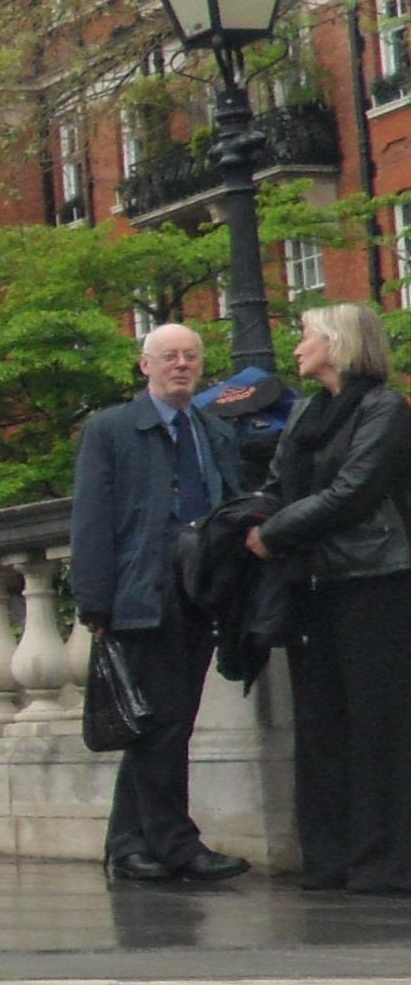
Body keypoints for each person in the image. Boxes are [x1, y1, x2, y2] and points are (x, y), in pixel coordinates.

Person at [69, 324, 249, 888]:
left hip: (201, 594)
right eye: (169, 357)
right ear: (144, 366)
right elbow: (92, 521)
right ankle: (175, 844)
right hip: (144, 595)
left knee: (161, 725)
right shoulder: (112, 430)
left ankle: (128, 845)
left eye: (190, 357)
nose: (181, 365)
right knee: (162, 726)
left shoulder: (212, 430)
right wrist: (95, 604)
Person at [248, 303, 410, 895]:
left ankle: (384, 861)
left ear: (337, 343)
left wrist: (275, 532)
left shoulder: (385, 409)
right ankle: (329, 858)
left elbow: (355, 490)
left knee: (378, 724)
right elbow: (275, 483)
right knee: (319, 723)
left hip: (375, 580)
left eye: (307, 336)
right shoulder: (307, 413)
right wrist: (255, 519)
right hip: (312, 583)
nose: (297, 348)